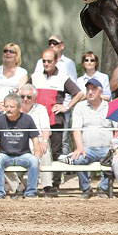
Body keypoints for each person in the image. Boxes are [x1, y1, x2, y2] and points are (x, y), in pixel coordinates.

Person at [32, 49, 83, 196]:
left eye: (49, 61)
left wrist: (66, 107)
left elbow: (78, 93)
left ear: (55, 61)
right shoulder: (35, 77)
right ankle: (39, 183)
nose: (46, 64)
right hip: (38, 122)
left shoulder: (62, 77)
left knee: (56, 153)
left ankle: (54, 184)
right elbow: (24, 92)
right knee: (39, 151)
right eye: (44, 61)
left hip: (55, 121)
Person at [62, 78, 112, 199]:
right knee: (78, 159)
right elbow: (76, 129)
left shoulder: (110, 106)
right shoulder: (80, 107)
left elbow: (117, 129)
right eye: (88, 89)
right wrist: (79, 147)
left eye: (93, 89)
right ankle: (86, 188)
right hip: (88, 148)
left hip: (107, 148)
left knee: (113, 159)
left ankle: (103, 188)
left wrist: (114, 148)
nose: (90, 92)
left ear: (100, 91)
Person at [0, 93, 42, 199]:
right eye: (6, 106)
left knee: (34, 161)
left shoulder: (27, 119)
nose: (8, 109)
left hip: (23, 155)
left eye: (12, 107)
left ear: (19, 108)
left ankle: (31, 192)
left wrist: (38, 159)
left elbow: (36, 141)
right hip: (5, 155)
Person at [18, 83, 52, 195]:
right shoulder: (14, 110)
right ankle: (19, 187)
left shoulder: (41, 109)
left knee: (45, 153)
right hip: (19, 144)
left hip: (38, 142)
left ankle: (47, 187)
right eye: (22, 96)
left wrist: (44, 142)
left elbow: (46, 128)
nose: (25, 99)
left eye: (29, 97)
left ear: (34, 98)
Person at [0, 43, 28, 129]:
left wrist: (9, 105)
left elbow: (21, 91)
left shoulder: (22, 72)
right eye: (6, 51)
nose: (8, 53)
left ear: (17, 55)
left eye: (11, 51)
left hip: (14, 108)